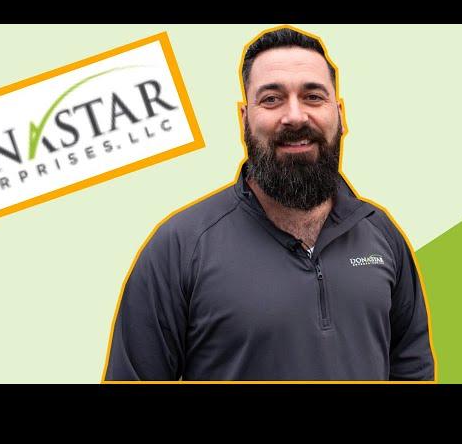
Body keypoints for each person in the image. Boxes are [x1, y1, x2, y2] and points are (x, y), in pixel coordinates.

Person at [102, 25, 435, 381]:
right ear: (243, 119)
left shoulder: (381, 234)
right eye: (272, 99)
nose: (295, 116)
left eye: (313, 97)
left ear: (340, 115)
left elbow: (413, 370)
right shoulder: (180, 247)